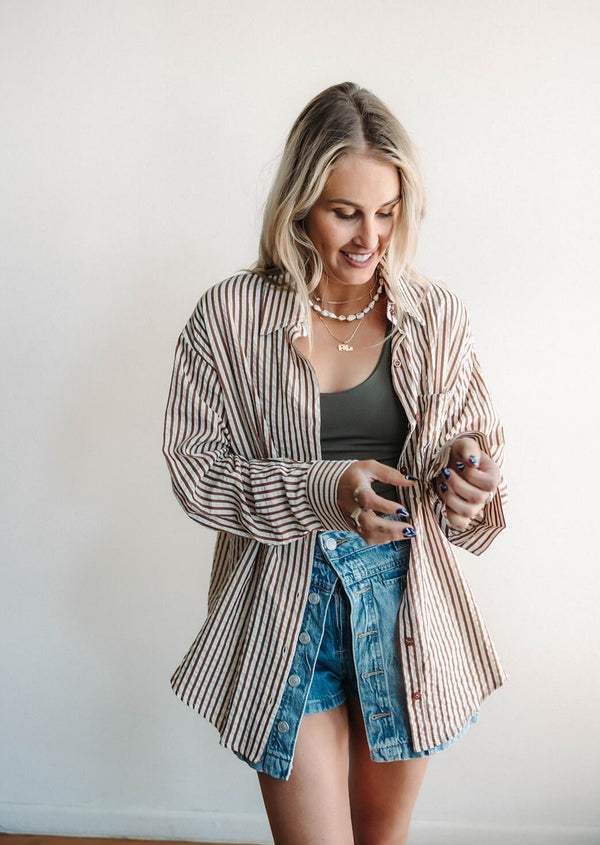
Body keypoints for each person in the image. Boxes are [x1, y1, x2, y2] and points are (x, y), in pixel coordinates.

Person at [163, 81, 507, 845]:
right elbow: (196, 473)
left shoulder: (436, 315)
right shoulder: (230, 317)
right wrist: (327, 490)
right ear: (297, 206)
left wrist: (470, 476)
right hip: (288, 605)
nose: (369, 237)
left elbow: (475, 448)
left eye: (386, 212)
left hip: (407, 606)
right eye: (344, 211)